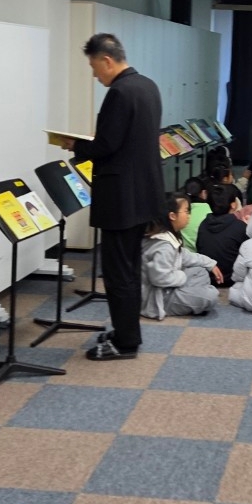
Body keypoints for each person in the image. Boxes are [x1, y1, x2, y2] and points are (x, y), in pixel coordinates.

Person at [74, 34, 164, 361]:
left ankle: (125, 343)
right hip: (143, 195)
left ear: (107, 60)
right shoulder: (148, 86)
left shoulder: (119, 92)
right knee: (129, 268)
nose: (94, 74)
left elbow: (106, 145)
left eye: (94, 66)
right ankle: (127, 332)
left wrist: (75, 145)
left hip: (121, 199)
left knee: (118, 274)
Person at [140, 192, 220, 320]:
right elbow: (160, 279)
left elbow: (185, 256)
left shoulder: (168, 236)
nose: (189, 215)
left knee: (200, 271)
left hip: (170, 286)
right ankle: (191, 295)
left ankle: (189, 294)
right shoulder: (164, 247)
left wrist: (210, 263)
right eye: (186, 211)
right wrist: (181, 276)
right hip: (160, 298)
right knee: (211, 296)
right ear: (172, 216)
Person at [196, 183, 248, 287]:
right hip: (232, 281)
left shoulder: (203, 224)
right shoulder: (240, 227)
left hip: (208, 278)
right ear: (233, 205)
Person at [179, 177, 211, 250]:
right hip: (205, 254)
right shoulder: (211, 211)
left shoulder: (179, 213)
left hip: (184, 254)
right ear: (203, 193)